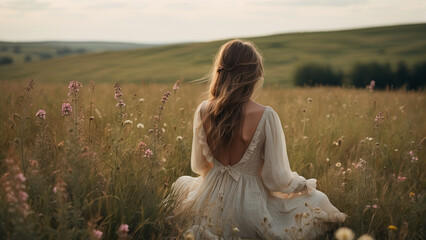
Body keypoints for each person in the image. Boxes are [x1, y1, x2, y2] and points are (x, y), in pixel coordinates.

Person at [169, 39, 346, 239]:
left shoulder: (203, 110)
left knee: (182, 184)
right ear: (254, 75)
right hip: (249, 206)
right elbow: (276, 179)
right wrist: (303, 185)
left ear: (221, 71)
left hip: (209, 198)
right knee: (318, 200)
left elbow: (199, 167)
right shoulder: (266, 115)